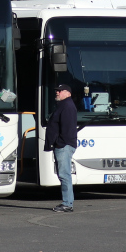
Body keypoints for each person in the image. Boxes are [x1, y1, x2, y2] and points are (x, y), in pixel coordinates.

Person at [44, 83, 79, 212]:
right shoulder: (64, 105)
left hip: (64, 146)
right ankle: (67, 202)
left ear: (68, 93)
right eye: (57, 90)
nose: (57, 92)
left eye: (60, 90)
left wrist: (60, 143)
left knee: (65, 175)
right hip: (62, 145)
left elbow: (67, 129)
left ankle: (67, 204)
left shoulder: (67, 106)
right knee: (63, 175)